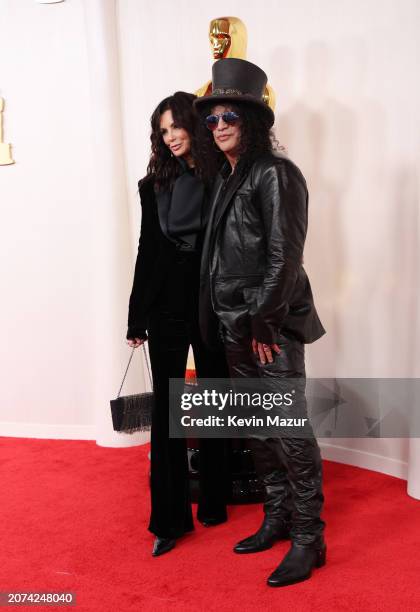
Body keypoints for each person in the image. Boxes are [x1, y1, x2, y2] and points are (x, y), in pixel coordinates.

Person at [194, 59, 326, 587]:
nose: (220, 124)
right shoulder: (230, 178)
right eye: (212, 117)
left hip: (267, 325)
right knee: (256, 426)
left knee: (289, 429)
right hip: (235, 323)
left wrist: (264, 324)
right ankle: (275, 517)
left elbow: (283, 258)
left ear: (253, 120)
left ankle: (309, 538)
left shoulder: (276, 173)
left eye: (231, 114)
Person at [126, 91, 229, 557]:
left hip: (211, 301)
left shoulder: (222, 176)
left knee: (215, 396)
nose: (170, 137)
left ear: (193, 123)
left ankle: (213, 498)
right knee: (168, 414)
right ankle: (168, 519)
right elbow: (148, 251)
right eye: (162, 131)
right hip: (165, 302)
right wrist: (136, 315)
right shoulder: (153, 185)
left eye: (176, 127)